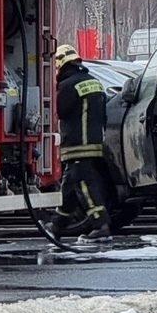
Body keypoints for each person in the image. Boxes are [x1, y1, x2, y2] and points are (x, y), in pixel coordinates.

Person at [45, 44, 112, 242]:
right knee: (69, 186)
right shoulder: (94, 82)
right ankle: (57, 225)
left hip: (76, 145)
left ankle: (101, 225)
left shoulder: (67, 86)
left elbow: (62, 112)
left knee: (84, 185)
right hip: (94, 143)